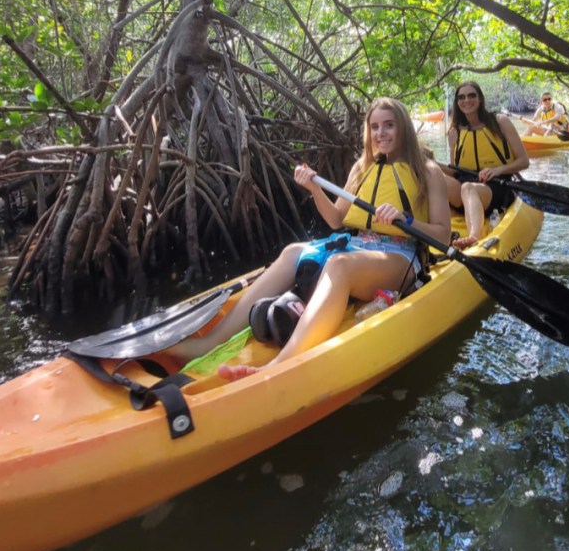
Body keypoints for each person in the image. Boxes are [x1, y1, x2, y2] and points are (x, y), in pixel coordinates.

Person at [168, 98, 451, 381]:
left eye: (389, 125)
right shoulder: (361, 168)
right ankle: (208, 343)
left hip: (401, 255)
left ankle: (279, 364)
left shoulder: (426, 171)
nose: (381, 133)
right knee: (293, 252)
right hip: (359, 245)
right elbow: (337, 220)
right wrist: (314, 189)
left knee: (340, 264)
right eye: (375, 127)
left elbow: (443, 235)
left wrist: (406, 221)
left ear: (403, 127)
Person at [443, 81, 529, 249]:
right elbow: (455, 171)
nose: (466, 100)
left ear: (480, 99)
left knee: (469, 187)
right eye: (461, 97)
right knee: (432, 172)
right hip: (464, 188)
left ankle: (475, 235)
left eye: (471, 95)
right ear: (457, 102)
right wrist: (430, 165)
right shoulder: (454, 132)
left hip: (497, 186)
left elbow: (524, 161)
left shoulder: (500, 122)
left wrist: (498, 170)